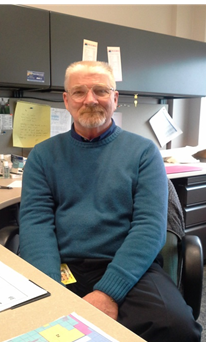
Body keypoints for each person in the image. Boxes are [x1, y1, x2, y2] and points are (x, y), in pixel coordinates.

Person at [19, 61, 201, 341]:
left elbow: (148, 228)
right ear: (67, 101)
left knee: (175, 327)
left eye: (100, 90)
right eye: (79, 92)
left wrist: (108, 293)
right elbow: (36, 226)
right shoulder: (42, 156)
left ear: (115, 99)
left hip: (130, 267)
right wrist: (51, 293)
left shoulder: (143, 152)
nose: (90, 99)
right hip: (62, 267)